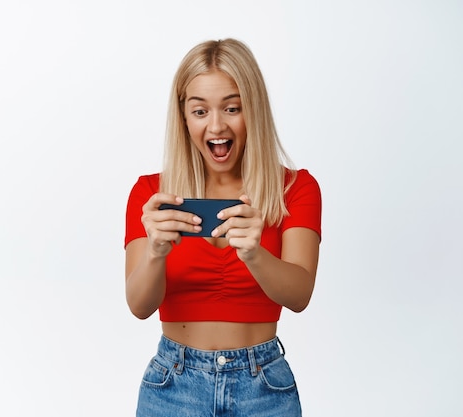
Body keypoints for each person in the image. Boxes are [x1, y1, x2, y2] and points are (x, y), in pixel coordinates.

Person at [124, 38, 321, 417]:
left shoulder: (295, 189)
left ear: (255, 111)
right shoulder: (151, 193)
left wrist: (254, 254)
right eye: (200, 111)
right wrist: (155, 252)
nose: (216, 125)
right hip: (173, 387)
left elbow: (299, 296)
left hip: (263, 387)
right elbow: (139, 306)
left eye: (232, 108)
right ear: (183, 117)